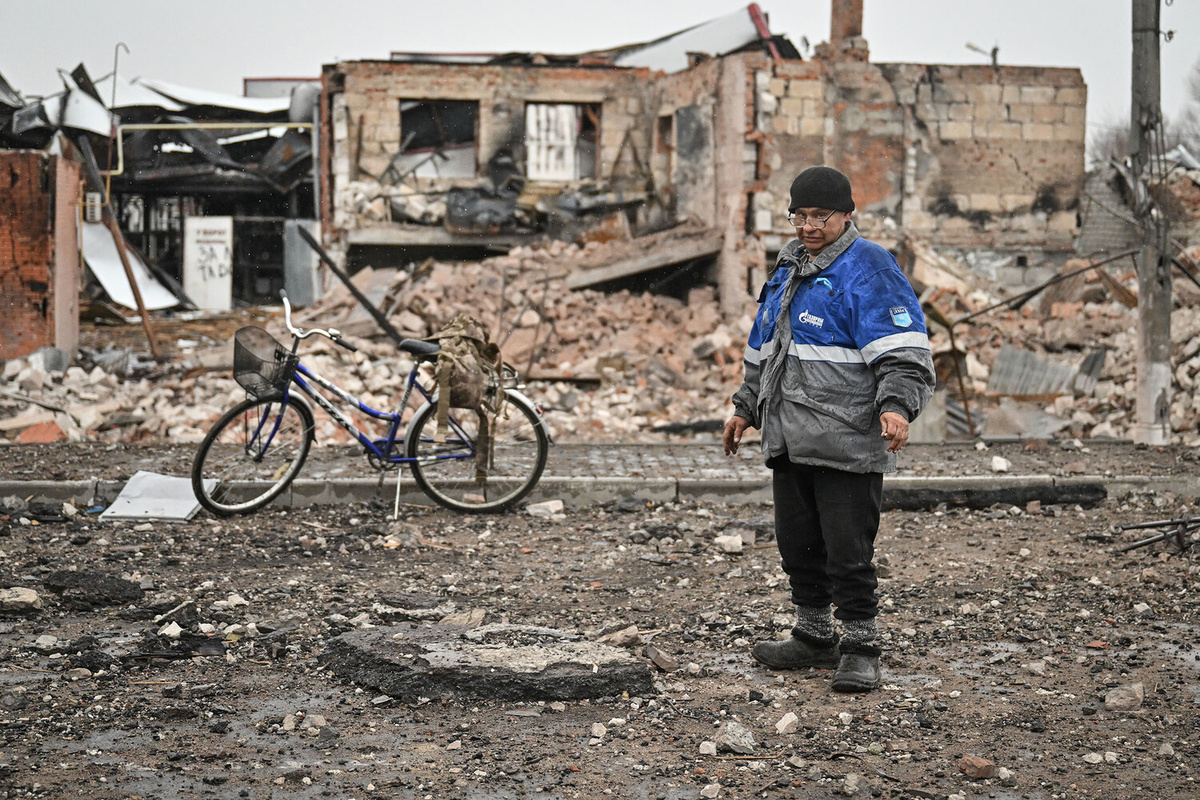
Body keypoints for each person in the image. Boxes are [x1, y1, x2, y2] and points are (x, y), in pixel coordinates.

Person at [723, 166, 935, 693]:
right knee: (798, 545)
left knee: (848, 550)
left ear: (847, 215)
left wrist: (897, 408)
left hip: (845, 439)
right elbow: (762, 351)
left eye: (822, 216)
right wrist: (744, 408)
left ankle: (861, 647)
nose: (809, 225)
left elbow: (904, 356)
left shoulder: (870, 268)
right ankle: (814, 636)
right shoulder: (790, 267)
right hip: (789, 438)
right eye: (801, 214)